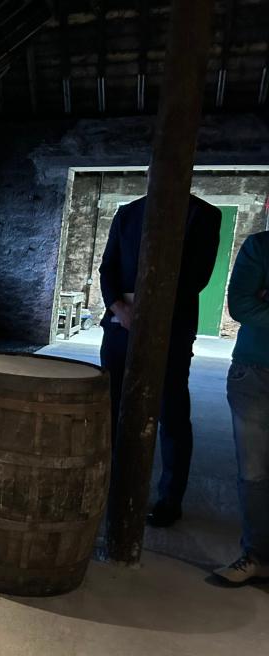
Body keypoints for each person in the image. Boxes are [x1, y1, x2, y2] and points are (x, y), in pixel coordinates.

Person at [99, 192, 221, 528]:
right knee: (109, 408)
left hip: (171, 330)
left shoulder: (203, 216)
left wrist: (151, 311)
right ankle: (106, 483)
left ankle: (170, 498)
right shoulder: (128, 214)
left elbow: (197, 277)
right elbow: (107, 266)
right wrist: (119, 308)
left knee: (172, 412)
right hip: (121, 327)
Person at [213, 231, 269, 585]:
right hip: (255, 373)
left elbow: (256, 306)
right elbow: (242, 306)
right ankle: (256, 555)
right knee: (254, 472)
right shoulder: (260, 247)